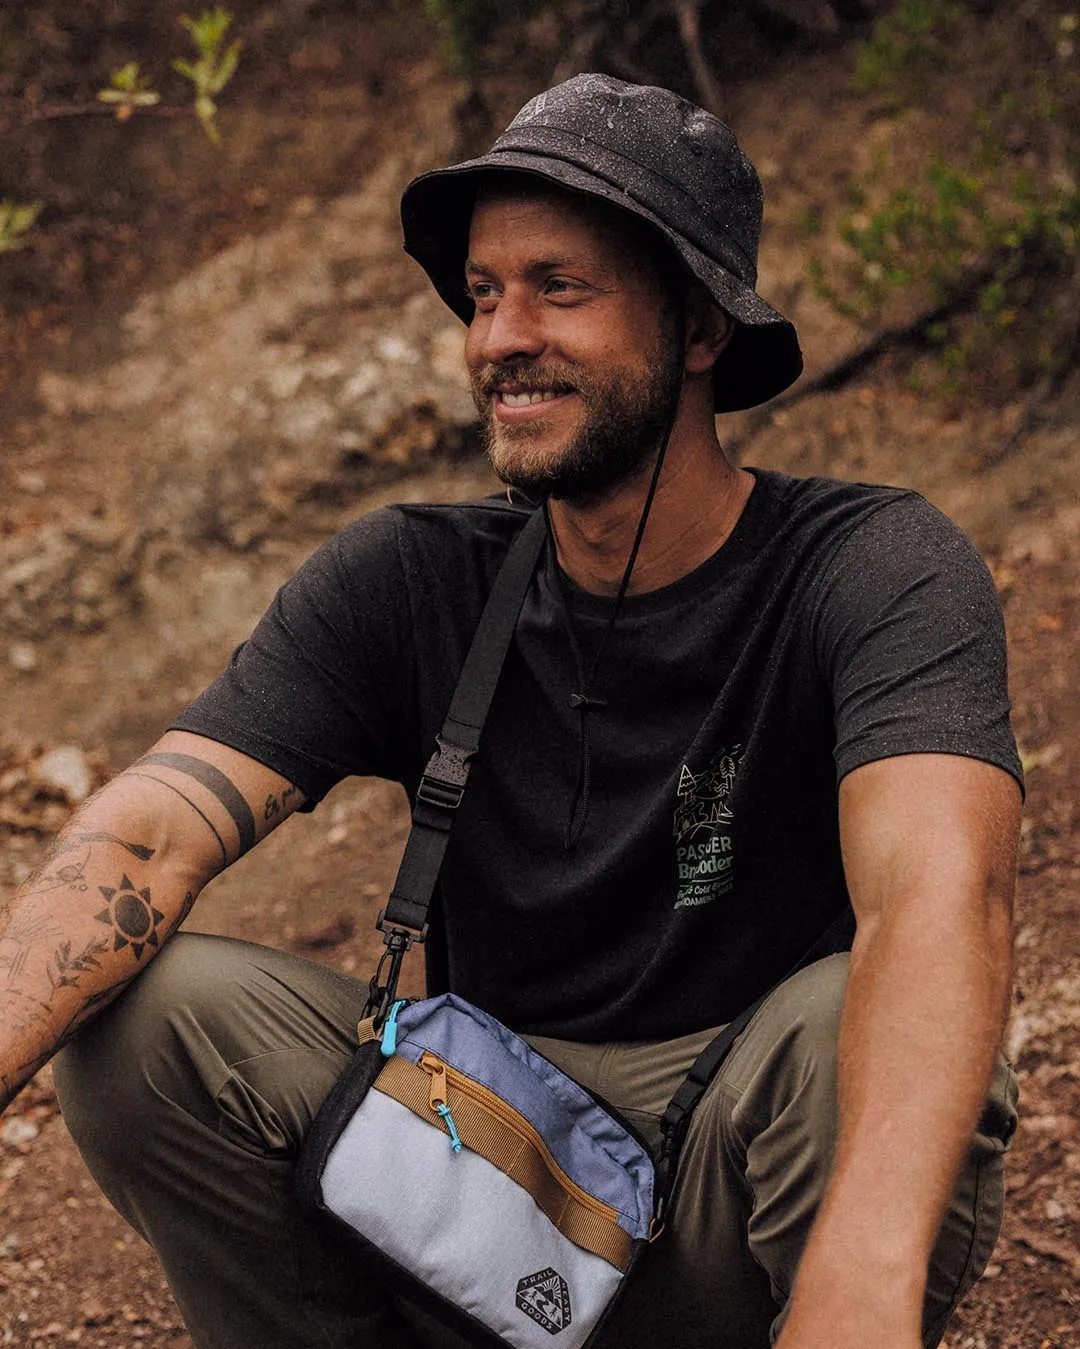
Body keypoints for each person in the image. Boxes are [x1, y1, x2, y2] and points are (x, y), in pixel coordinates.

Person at [0, 75, 1022, 1349]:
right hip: (469, 1165)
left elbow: (941, 892)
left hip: (733, 1178)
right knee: (144, 1018)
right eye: (484, 293)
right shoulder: (410, 577)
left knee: (842, 1012)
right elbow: (150, 832)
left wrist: (856, 1285)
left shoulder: (870, 565)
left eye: (560, 286)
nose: (500, 336)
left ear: (700, 327)